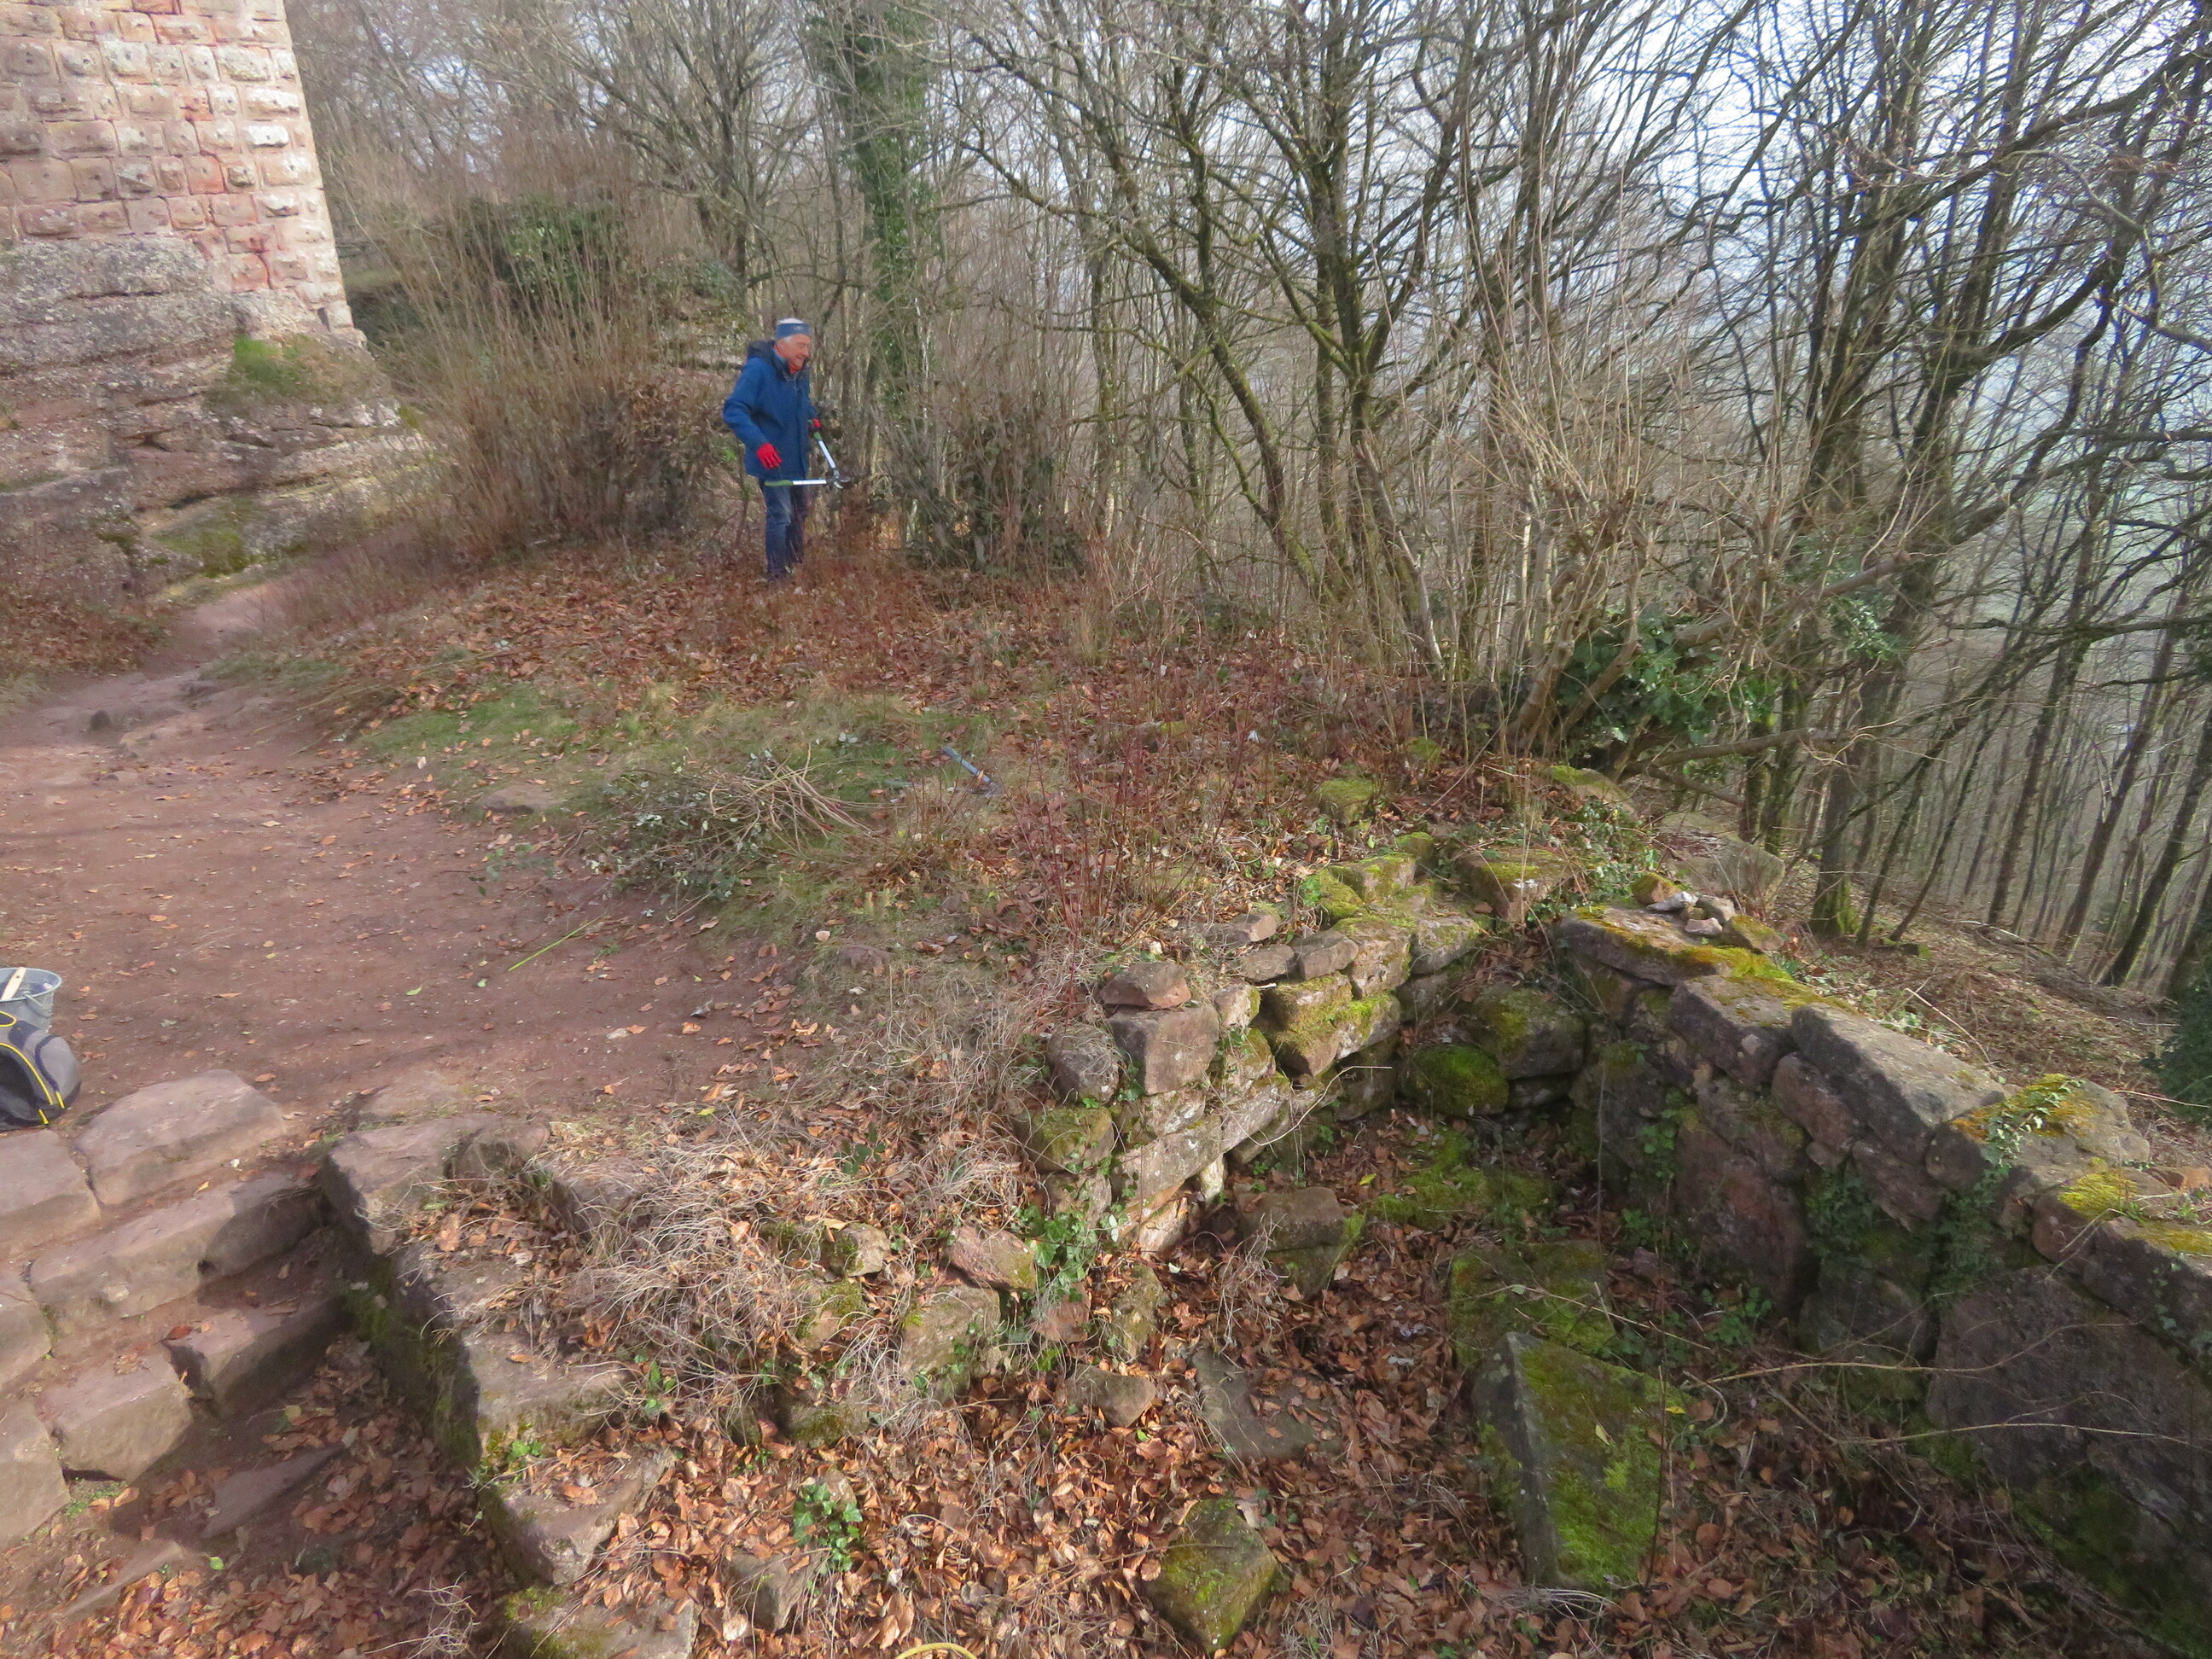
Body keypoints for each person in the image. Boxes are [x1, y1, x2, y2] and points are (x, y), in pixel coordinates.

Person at [722, 317, 819, 581]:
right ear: (782, 344)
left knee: (799, 514)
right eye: (801, 345)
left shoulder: (801, 372)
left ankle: (795, 569)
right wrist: (760, 444)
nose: (806, 353)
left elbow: (801, 405)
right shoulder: (758, 370)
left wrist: (812, 418)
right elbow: (734, 410)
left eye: (807, 346)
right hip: (772, 460)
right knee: (781, 516)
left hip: (797, 458)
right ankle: (777, 576)